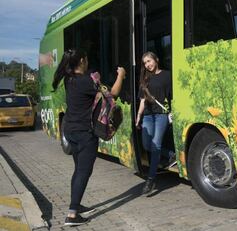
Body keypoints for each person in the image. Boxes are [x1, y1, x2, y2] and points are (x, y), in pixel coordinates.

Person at [52, 49, 126, 226]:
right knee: (83, 172)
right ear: (83, 61)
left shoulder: (69, 79)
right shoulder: (86, 81)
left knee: (79, 170)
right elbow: (113, 94)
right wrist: (121, 75)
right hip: (85, 133)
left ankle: (76, 205)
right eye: (86, 60)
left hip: (70, 130)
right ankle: (72, 215)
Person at [135, 51, 175, 195]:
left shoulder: (167, 75)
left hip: (161, 115)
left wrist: (173, 111)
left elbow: (172, 95)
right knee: (147, 144)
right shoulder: (145, 79)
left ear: (156, 60)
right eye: (145, 63)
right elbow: (142, 100)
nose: (148, 65)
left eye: (149, 61)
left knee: (156, 144)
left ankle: (151, 179)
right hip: (147, 115)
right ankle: (170, 153)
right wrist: (139, 115)